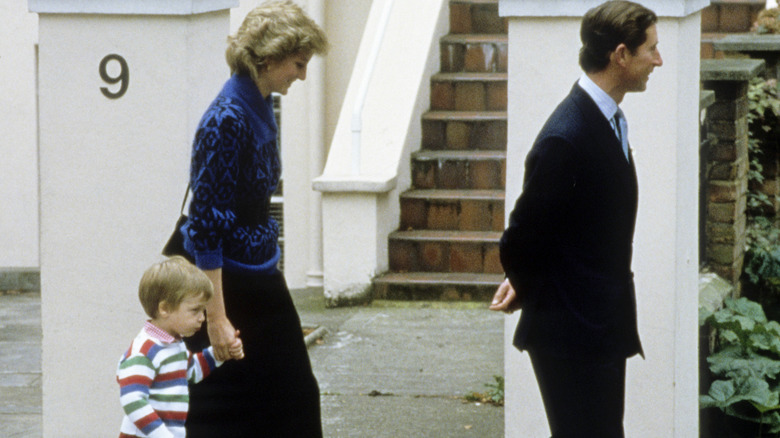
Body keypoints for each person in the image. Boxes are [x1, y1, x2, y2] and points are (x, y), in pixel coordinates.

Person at [489, 1, 663, 437]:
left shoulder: (602, 120)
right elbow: (521, 238)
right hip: (572, 334)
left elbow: (561, 230)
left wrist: (529, 276)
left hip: (597, 326)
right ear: (620, 55)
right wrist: (526, 278)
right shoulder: (568, 136)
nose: (658, 61)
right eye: (651, 50)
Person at [177, 1, 328, 436]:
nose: (302, 75)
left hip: (258, 277)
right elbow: (205, 227)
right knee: (234, 407)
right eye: (298, 64)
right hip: (227, 284)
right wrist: (216, 319)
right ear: (268, 58)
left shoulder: (258, 102)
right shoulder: (226, 119)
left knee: (288, 399)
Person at [116, 256, 244, 438]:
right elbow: (132, 399)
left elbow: (192, 370)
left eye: (203, 310)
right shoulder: (145, 350)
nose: (202, 317)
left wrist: (221, 354)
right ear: (165, 309)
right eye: (195, 310)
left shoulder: (173, 345)